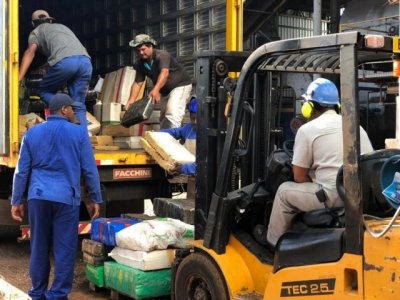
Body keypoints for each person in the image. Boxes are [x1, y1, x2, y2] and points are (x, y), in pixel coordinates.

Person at [253, 78, 374, 250]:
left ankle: (272, 242)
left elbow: (299, 176)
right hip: (358, 196)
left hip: (333, 197)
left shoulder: (307, 130)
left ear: (308, 107)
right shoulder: (355, 126)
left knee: (283, 191)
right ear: (336, 105)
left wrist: (315, 179)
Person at [10, 93, 102, 300]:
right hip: (65, 199)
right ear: (63, 110)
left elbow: (21, 171)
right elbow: (89, 169)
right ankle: (57, 295)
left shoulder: (32, 133)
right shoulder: (79, 134)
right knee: (65, 248)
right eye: (71, 109)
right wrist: (94, 198)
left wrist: (16, 200)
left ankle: (37, 293)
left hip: (38, 198)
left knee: (39, 246)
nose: (73, 113)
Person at [18, 9, 92, 128]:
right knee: (79, 105)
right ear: (50, 21)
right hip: (85, 62)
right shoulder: (63, 27)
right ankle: (82, 141)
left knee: (44, 91)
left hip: (66, 62)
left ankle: (65, 109)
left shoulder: (35, 32)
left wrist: (19, 77)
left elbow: (30, 52)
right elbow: (70, 48)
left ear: (33, 24)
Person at [126, 34, 192, 129]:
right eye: (138, 50)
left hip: (180, 85)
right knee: (164, 117)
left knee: (172, 112)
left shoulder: (162, 56)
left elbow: (164, 73)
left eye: (143, 49)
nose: (140, 52)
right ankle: (164, 140)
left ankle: (172, 141)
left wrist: (156, 89)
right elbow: (138, 83)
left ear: (150, 46)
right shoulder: (140, 64)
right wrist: (131, 100)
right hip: (165, 91)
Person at [161, 96, 197, 176]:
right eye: (192, 118)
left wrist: (184, 169)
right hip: (189, 176)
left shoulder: (208, 135)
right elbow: (176, 132)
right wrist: (158, 134)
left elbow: (205, 163)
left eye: (198, 118)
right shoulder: (189, 129)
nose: (195, 122)